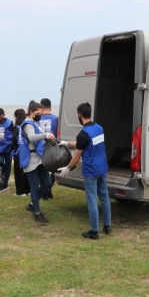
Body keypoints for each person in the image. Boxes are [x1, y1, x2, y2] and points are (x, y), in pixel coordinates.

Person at [58, 102, 111, 239]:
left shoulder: (83, 134)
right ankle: (107, 226)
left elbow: (77, 156)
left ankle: (94, 231)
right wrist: (66, 143)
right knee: (104, 197)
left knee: (92, 200)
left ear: (80, 115)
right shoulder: (99, 128)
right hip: (102, 168)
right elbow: (86, 143)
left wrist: (67, 168)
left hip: (91, 172)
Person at [18, 100, 56, 224]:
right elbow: (32, 138)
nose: (41, 115)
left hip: (40, 158)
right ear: (31, 112)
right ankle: (37, 212)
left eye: (41, 112)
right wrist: (46, 135)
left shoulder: (35, 122)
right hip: (30, 159)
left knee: (47, 182)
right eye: (38, 113)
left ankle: (32, 204)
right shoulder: (28, 124)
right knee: (34, 187)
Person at [38, 98, 59, 200]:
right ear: (50, 107)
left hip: (40, 148)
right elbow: (58, 135)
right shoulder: (56, 119)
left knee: (42, 171)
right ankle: (48, 191)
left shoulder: (37, 120)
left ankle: (44, 191)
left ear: (41, 107)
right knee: (52, 171)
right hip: (52, 148)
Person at [11, 108, 31, 196]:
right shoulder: (27, 126)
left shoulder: (16, 128)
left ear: (16, 117)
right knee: (27, 172)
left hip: (18, 153)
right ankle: (29, 190)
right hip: (27, 152)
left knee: (18, 173)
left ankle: (20, 191)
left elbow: (13, 142)